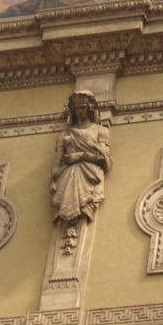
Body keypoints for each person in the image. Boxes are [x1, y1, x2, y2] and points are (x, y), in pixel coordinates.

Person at [51, 90, 112, 225]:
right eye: (77, 108)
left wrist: (80, 156)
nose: (79, 111)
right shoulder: (65, 133)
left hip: (89, 174)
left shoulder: (101, 131)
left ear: (90, 108)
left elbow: (104, 159)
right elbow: (58, 160)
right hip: (67, 174)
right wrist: (54, 178)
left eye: (83, 108)